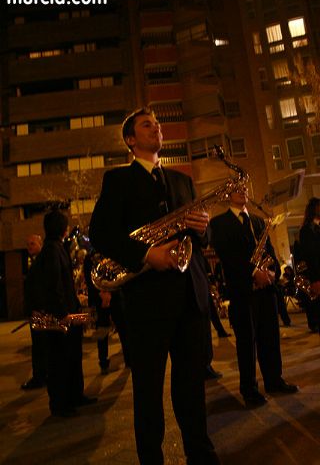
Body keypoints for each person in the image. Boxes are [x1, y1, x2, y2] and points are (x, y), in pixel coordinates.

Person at [89, 107, 220, 465]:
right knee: (147, 391)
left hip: (189, 297)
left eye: (158, 124)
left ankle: (201, 454)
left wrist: (203, 225)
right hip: (147, 301)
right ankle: (151, 459)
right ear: (130, 140)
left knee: (191, 387)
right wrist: (147, 255)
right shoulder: (117, 180)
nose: (156, 127)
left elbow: (203, 238)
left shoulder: (182, 180)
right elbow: (100, 233)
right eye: (147, 125)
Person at [210, 184, 298, 408]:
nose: (243, 191)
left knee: (271, 337)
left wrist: (272, 273)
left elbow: (269, 251)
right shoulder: (218, 223)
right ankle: (249, 390)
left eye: (245, 188)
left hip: (267, 290)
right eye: (237, 189)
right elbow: (226, 255)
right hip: (242, 292)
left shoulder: (259, 221)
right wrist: (253, 273)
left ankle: (274, 380)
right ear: (228, 195)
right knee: (246, 343)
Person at [24, 210, 96, 417]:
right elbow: (54, 285)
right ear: (61, 228)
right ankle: (61, 404)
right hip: (61, 317)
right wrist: (63, 312)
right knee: (61, 361)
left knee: (72, 358)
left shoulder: (55, 248)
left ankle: (75, 396)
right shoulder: (52, 250)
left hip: (66, 314)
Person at [21, 234, 48, 390]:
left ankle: (40, 377)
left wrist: (37, 309)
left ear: (40, 244)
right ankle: (41, 375)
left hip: (39, 312)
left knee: (39, 345)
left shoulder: (41, 263)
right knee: (39, 345)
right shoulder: (36, 262)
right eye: (27, 244)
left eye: (32, 243)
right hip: (37, 311)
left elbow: (39, 289)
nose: (29, 246)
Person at [299, 197, 320, 332]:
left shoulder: (317, 227)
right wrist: (316, 279)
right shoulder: (307, 230)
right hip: (317, 276)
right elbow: (311, 256)